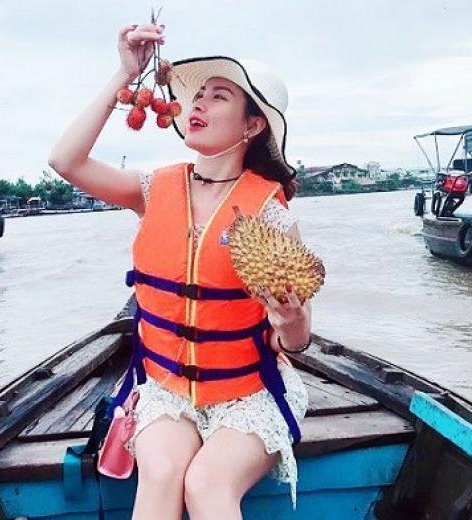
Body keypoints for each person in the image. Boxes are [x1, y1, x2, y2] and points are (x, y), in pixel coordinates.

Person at [49, 24, 310, 518]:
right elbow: (65, 160)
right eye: (198, 94)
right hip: (167, 390)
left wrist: (291, 320)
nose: (198, 103)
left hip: (250, 391)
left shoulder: (271, 215)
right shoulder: (153, 190)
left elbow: (295, 343)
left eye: (219, 96)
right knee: (163, 472)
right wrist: (125, 74)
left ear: (253, 126)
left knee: (207, 484)